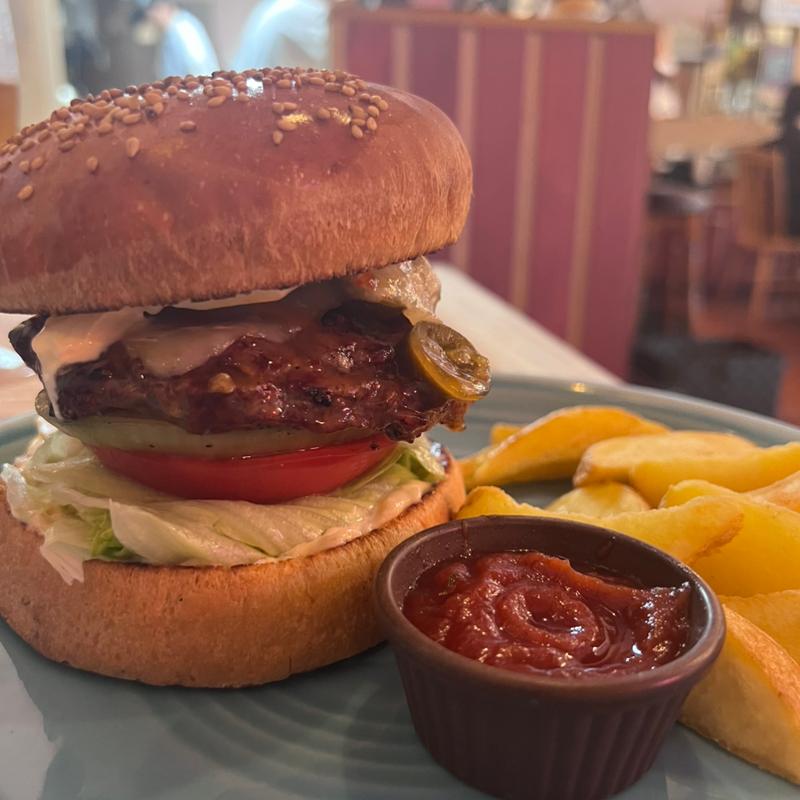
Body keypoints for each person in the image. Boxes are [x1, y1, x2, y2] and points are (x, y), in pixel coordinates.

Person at [232, 0, 330, 73]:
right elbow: (335, 54)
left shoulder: (270, 8)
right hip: (269, 93)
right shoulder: (301, 11)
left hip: (251, 88)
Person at [139, 1, 219, 78]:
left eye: (152, 15)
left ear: (162, 8)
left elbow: (199, 68)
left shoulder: (183, 27)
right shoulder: (171, 29)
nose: (152, 21)